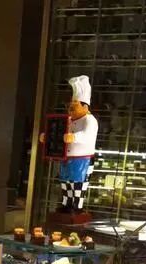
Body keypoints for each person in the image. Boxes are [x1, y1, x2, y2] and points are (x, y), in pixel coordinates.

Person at [58, 75, 98, 212]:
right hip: (66, 157)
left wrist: (73, 137)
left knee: (78, 183)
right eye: (70, 107)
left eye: (73, 107)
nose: (70, 110)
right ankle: (66, 203)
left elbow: (87, 135)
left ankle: (77, 206)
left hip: (82, 159)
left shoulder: (90, 120)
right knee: (65, 182)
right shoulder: (69, 120)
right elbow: (59, 132)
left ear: (85, 106)